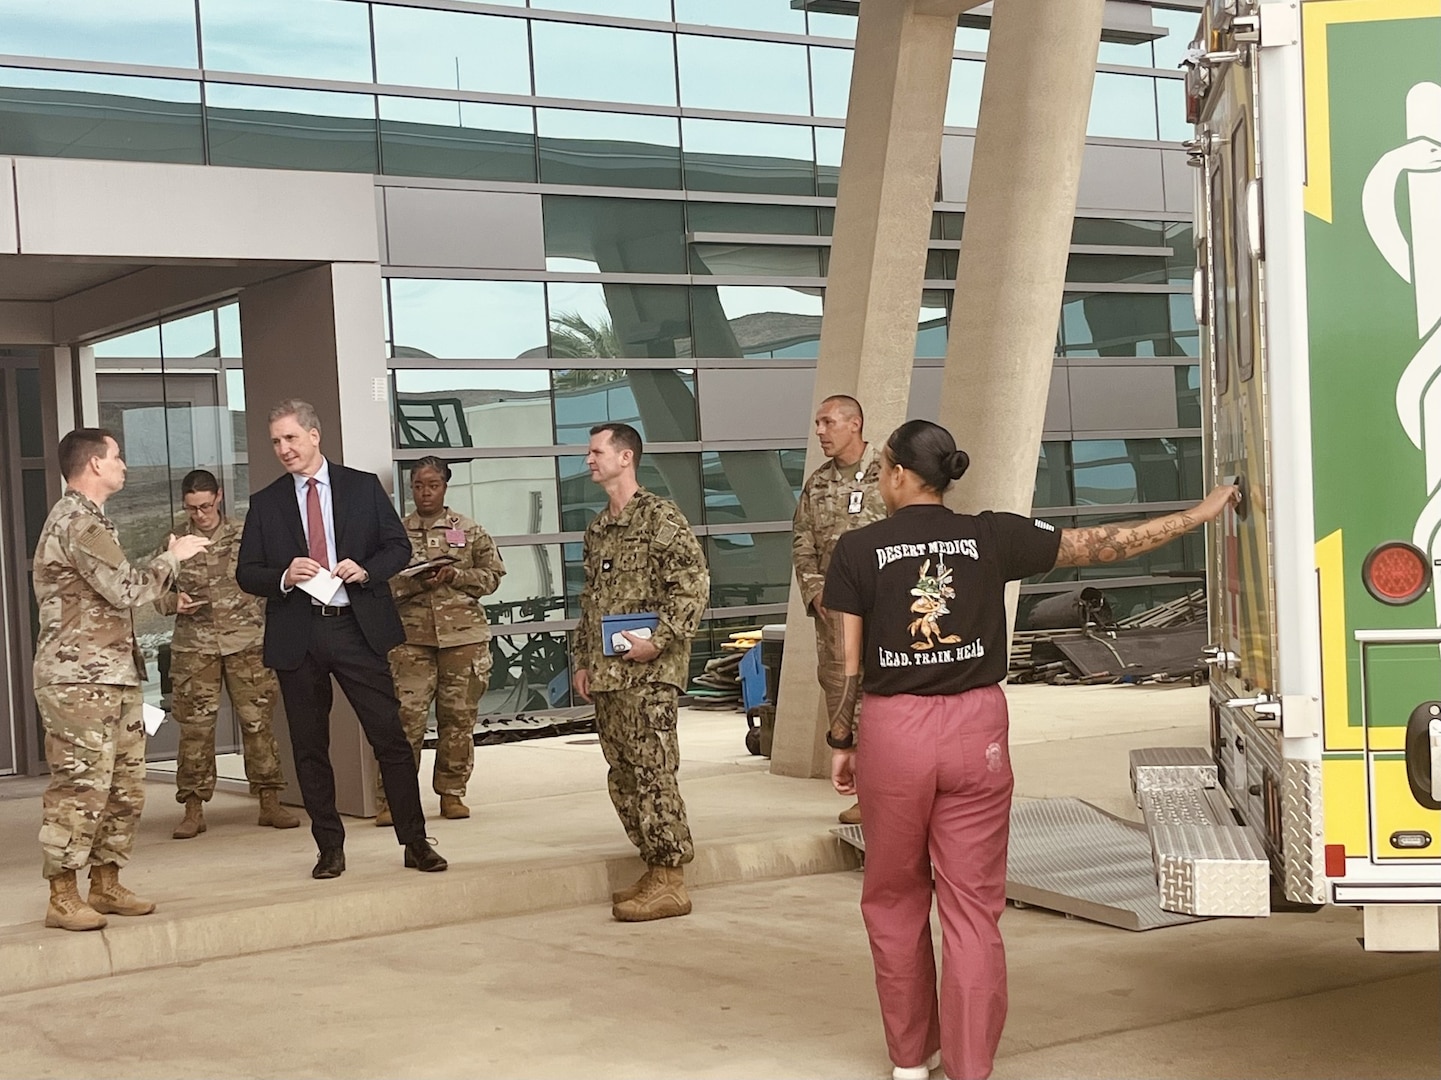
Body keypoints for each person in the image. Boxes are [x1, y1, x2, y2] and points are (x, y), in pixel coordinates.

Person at [823, 420, 1239, 1080]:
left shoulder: (856, 550)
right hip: (976, 730)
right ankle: (968, 1066)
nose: (878, 478)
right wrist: (1198, 512)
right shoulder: (993, 535)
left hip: (894, 732)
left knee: (895, 899)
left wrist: (842, 740)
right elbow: (1102, 545)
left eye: (880, 468)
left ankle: (909, 1061)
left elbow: (845, 663)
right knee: (971, 906)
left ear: (900, 474)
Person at [236, 399, 445, 879]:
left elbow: (399, 546)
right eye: (275, 441)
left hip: (356, 627)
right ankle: (329, 847)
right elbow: (248, 572)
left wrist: (367, 569)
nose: (283, 449)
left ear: (314, 436)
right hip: (299, 633)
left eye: (290, 438)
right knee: (310, 748)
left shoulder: (361, 487)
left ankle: (415, 841)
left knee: (390, 738)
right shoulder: (266, 503)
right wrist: (284, 575)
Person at [34, 428, 211, 931]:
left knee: (125, 787)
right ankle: (63, 894)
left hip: (113, 675)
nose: (125, 465)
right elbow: (126, 589)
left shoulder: (95, 521)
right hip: (78, 680)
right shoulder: (76, 521)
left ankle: (106, 883)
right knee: (81, 785)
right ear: (93, 464)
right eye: (116, 457)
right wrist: (174, 557)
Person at [571, 422, 709, 922]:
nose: (589, 459)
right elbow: (589, 602)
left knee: (654, 774)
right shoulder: (598, 528)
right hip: (608, 676)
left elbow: (692, 586)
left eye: (596, 451)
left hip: (648, 677)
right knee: (624, 777)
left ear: (625, 457)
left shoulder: (660, 519)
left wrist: (661, 641)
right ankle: (654, 866)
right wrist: (583, 660)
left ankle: (671, 877)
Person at [159, 469, 299, 839]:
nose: (200, 515)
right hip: (196, 646)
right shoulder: (175, 542)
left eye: (206, 506)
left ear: (219, 497)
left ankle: (269, 800)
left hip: (247, 642)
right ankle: (193, 808)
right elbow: (153, 594)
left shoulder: (245, 534)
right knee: (195, 729)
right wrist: (176, 601)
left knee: (258, 724)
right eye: (192, 508)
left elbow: (271, 580)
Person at [377, 456, 506, 826]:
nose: (425, 492)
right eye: (418, 485)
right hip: (411, 639)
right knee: (405, 721)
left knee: (458, 720)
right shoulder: (396, 533)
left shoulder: (469, 529)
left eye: (432, 485)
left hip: (462, 638)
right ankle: (393, 799)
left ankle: (451, 793)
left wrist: (455, 575)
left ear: (445, 486)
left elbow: (493, 575)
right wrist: (415, 581)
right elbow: (380, 583)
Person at [791, 394, 886, 826]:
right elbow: (802, 543)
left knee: (888, 698)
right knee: (843, 696)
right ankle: (867, 796)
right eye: (817, 423)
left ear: (855, 424)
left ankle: (891, 793)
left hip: (886, 613)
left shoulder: (891, 474)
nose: (820, 431)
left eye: (827, 422)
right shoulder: (818, 483)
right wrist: (815, 593)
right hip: (835, 617)